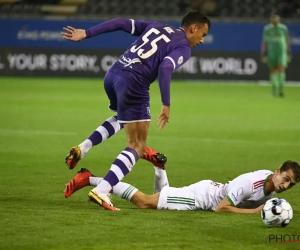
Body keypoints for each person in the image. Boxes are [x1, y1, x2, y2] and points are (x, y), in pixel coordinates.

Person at [61, 11, 211, 210]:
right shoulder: (183, 46)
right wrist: (166, 103)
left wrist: (86, 33)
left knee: (123, 119)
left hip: (113, 74)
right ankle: (102, 190)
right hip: (134, 83)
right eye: (203, 34)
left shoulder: (157, 25)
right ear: (194, 28)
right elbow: (166, 67)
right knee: (138, 146)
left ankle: (84, 147)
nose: (202, 40)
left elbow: (121, 22)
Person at [64, 157, 300, 213]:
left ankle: (159, 166)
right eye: (286, 178)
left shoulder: (271, 190)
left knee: (159, 197)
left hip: (206, 192)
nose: (285, 185)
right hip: (201, 197)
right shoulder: (252, 182)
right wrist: (256, 212)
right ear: (277, 172)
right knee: (145, 202)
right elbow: (221, 208)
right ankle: (91, 179)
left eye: (290, 185)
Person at [261, 14, 291, 98]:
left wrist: (288, 53)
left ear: (279, 19)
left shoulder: (283, 28)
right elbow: (264, 42)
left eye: (277, 19)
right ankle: (274, 91)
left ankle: (281, 90)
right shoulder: (267, 29)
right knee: (273, 70)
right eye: (273, 19)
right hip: (272, 52)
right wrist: (263, 53)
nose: (275, 20)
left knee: (281, 69)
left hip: (282, 52)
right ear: (271, 20)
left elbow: (287, 41)